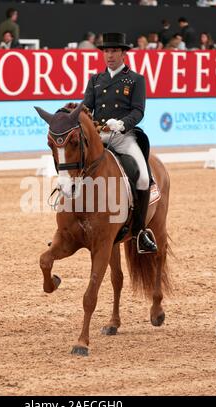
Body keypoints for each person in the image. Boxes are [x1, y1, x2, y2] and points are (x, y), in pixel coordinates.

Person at [83, 32, 157, 254]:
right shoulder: (95, 80)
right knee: (74, 168)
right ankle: (70, 225)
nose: (110, 55)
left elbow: (138, 111)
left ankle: (140, 231)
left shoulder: (135, 79)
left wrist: (122, 123)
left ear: (123, 53)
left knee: (143, 177)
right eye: (106, 51)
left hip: (124, 137)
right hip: (99, 137)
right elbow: (86, 108)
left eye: (114, 51)